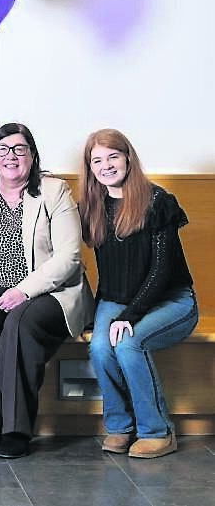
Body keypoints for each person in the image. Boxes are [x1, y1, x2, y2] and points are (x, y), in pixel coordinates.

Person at [0, 122, 94, 458]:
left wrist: (25, 291)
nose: (10, 156)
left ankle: (15, 429)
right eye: (2, 149)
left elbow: (69, 257)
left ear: (32, 154)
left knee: (19, 322)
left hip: (52, 293)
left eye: (19, 149)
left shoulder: (53, 190)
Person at [79, 129, 197, 458]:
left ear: (128, 158)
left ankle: (157, 431)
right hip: (115, 300)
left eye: (112, 156)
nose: (106, 166)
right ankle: (120, 426)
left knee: (128, 342)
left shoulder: (158, 202)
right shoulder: (91, 207)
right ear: (90, 168)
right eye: (97, 160)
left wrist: (128, 317)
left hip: (172, 301)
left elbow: (161, 274)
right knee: (101, 348)